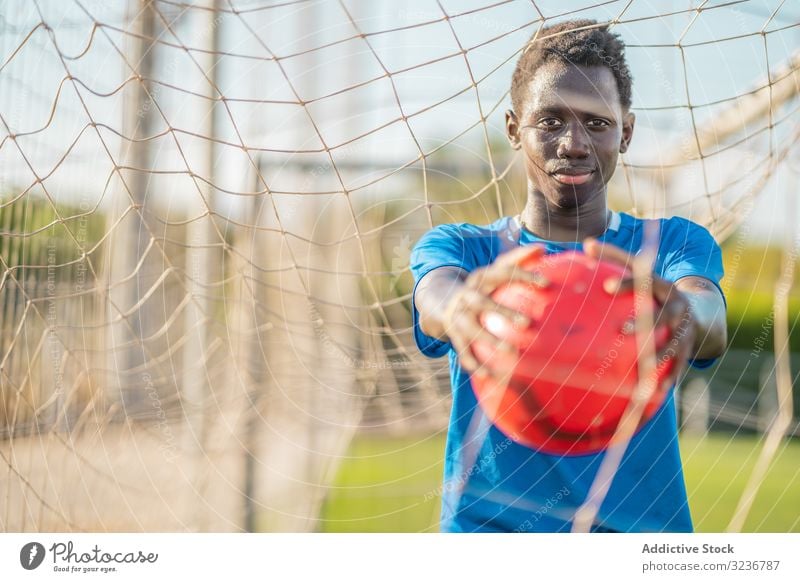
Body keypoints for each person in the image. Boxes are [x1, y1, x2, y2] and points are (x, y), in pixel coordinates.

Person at [410, 19, 727, 533]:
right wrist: (456, 306)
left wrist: (684, 313)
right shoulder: (465, 249)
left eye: (597, 123)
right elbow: (436, 296)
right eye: (550, 121)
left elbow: (709, 318)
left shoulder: (669, 245)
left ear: (625, 132)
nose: (574, 144)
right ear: (514, 129)